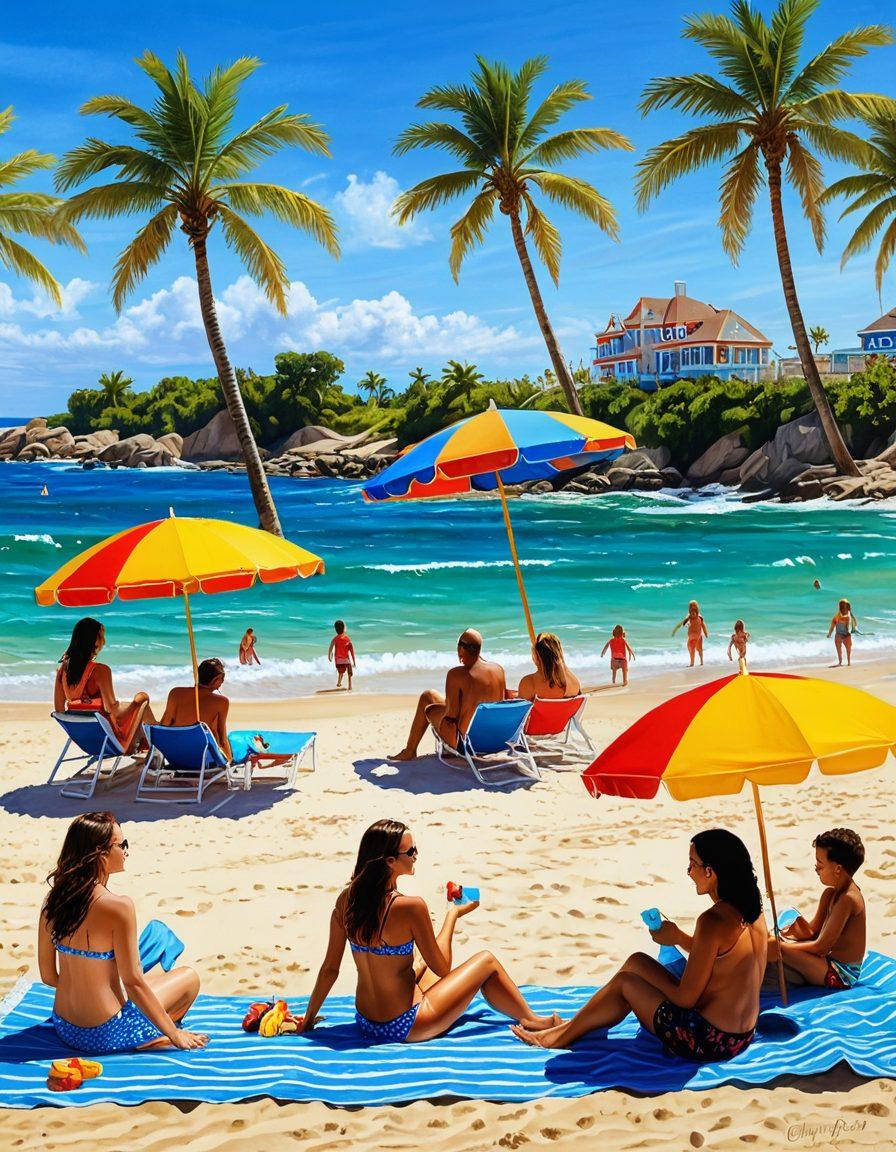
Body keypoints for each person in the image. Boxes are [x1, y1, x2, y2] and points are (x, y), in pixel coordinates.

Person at [511, 829, 766, 1062]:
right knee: (637, 962)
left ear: (710, 871)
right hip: (741, 1035)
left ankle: (557, 1038)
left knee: (627, 983)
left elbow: (685, 999)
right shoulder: (753, 911)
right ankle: (573, 1026)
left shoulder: (712, 920)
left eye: (692, 864)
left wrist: (649, 981)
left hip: (708, 1041)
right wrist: (677, 938)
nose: (688, 872)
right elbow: (721, 956)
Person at [298, 819, 559, 1043]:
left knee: (419, 966)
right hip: (404, 1026)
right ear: (390, 861)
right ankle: (531, 1019)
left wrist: (308, 1021)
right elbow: (443, 967)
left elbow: (330, 969)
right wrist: (452, 915)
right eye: (410, 851)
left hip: (366, 1022)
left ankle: (528, 1016)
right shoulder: (410, 907)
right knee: (486, 962)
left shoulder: (347, 901)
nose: (416, 855)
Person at [38, 812, 209, 1053]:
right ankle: (152, 1038)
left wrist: (88, 985)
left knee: (153, 949)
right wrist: (174, 1034)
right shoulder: (118, 906)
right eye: (122, 845)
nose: (126, 851)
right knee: (189, 978)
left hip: (64, 1026)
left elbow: (48, 976)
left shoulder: (53, 901)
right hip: (103, 1033)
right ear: (101, 853)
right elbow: (133, 983)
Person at [769, 828, 866, 990]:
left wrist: (782, 947)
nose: (816, 870)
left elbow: (822, 947)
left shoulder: (848, 899)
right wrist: (790, 933)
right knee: (784, 928)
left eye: (820, 866)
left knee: (777, 950)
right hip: (827, 960)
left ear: (838, 869)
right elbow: (813, 931)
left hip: (840, 973)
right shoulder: (830, 894)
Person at [391, 629, 505, 760]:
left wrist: (431, 712)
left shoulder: (456, 675)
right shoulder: (498, 669)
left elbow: (450, 716)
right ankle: (410, 750)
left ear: (461, 649)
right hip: (494, 739)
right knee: (430, 695)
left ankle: (410, 751)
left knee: (426, 703)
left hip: (466, 743)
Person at [54, 618, 154, 754]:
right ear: (95, 640)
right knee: (142, 699)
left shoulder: (62, 670)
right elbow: (113, 711)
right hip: (111, 739)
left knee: (133, 706)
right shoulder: (100, 671)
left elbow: (59, 710)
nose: (104, 641)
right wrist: (136, 703)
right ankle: (154, 743)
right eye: (102, 636)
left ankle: (146, 744)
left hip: (87, 739)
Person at [160, 657, 232, 761]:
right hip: (201, 759)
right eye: (222, 678)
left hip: (174, 756)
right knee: (213, 724)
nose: (223, 681)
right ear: (215, 679)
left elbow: (164, 726)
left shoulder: (175, 693)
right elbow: (222, 740)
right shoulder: (221, 702)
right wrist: (229, 760)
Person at [518, 632, 581, 700]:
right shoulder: (573, 683)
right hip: (565, 710)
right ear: (559, 653)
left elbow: (521, 709)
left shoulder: (529, 682)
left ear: (536, 656)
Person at [673, 601, 709, 667]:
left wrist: (685, 623)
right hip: (698, 635)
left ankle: (692, 663)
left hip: (693, 635)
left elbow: (684, 622)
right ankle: (701, 662)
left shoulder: (690, 616)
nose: (693, 611)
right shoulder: (699, 616)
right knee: (699, 648)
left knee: (691, 647)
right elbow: (703, 625)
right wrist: (706, 633)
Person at [827, 599, 857, 666]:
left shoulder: (850, 616)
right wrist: (829, 633)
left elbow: (854, 622)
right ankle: (840, 662)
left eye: (845, 606)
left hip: (847, 635)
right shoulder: (837, 616)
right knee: (839, 648)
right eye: (842, 606)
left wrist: (855, 628)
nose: (843, 608)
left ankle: (848, 662)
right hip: (839, 635)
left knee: (848, 647)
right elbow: (832, 625)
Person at [328, 619, 356, 691]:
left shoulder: (335, 639)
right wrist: (354, 662)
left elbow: (330, 647)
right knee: (349, 673)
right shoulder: (347, 639)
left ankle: (339, 682)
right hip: (346, 660)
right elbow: (351, 651)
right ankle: (350, 686)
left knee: (341, 671)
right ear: (344, 629)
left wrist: (329, 656)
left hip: (338, 661)